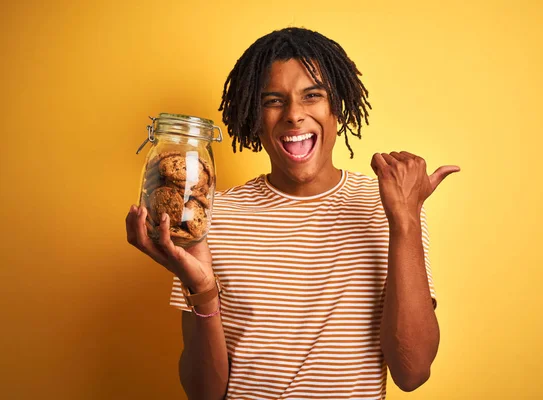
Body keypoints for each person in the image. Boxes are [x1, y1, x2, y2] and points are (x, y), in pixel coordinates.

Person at [126, 27, 460, 400]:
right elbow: (204, 394)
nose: (294, 115)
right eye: (273, 100)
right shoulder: (209, 216)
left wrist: (405, 219)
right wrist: (203, 290)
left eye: (312, 96)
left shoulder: (388, 204)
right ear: (254, 116)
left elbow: (412, 372)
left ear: (338, 106)